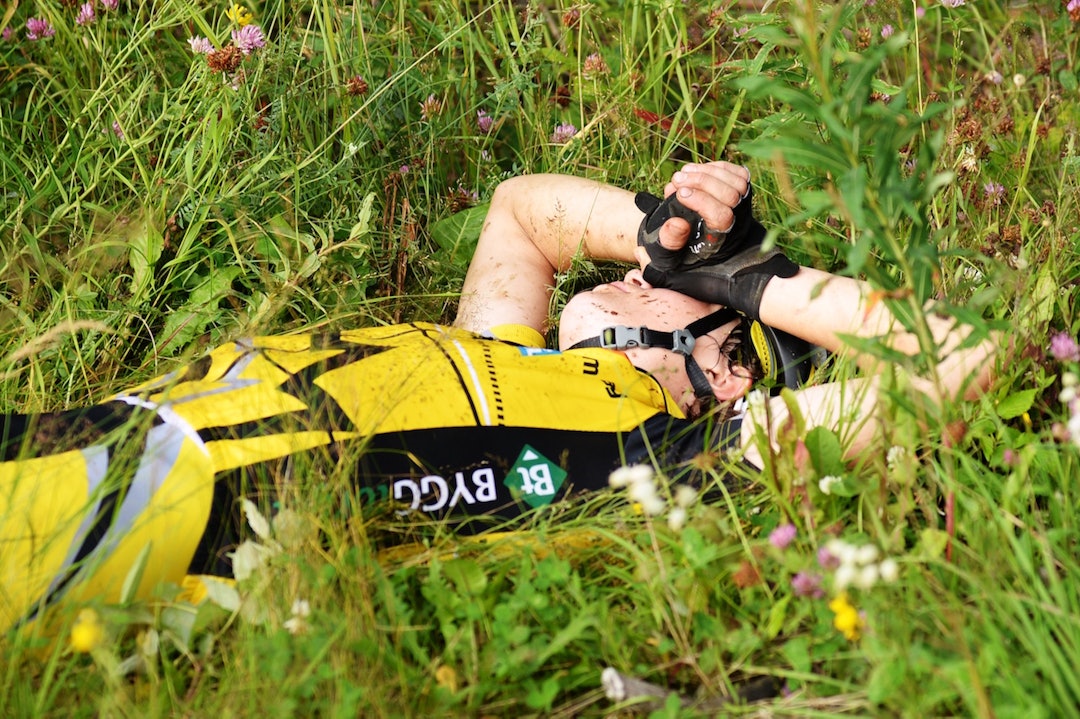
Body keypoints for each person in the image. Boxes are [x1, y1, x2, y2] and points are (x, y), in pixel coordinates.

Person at [0, 162, 997, 637]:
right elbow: (522, 212)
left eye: (677, 299)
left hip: (153, 520)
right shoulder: (505, 354)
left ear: (728, 375)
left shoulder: (663, 462)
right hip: (98, 433)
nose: (636, 281)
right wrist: (665, 234)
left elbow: (968, 362)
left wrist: (751, 277)